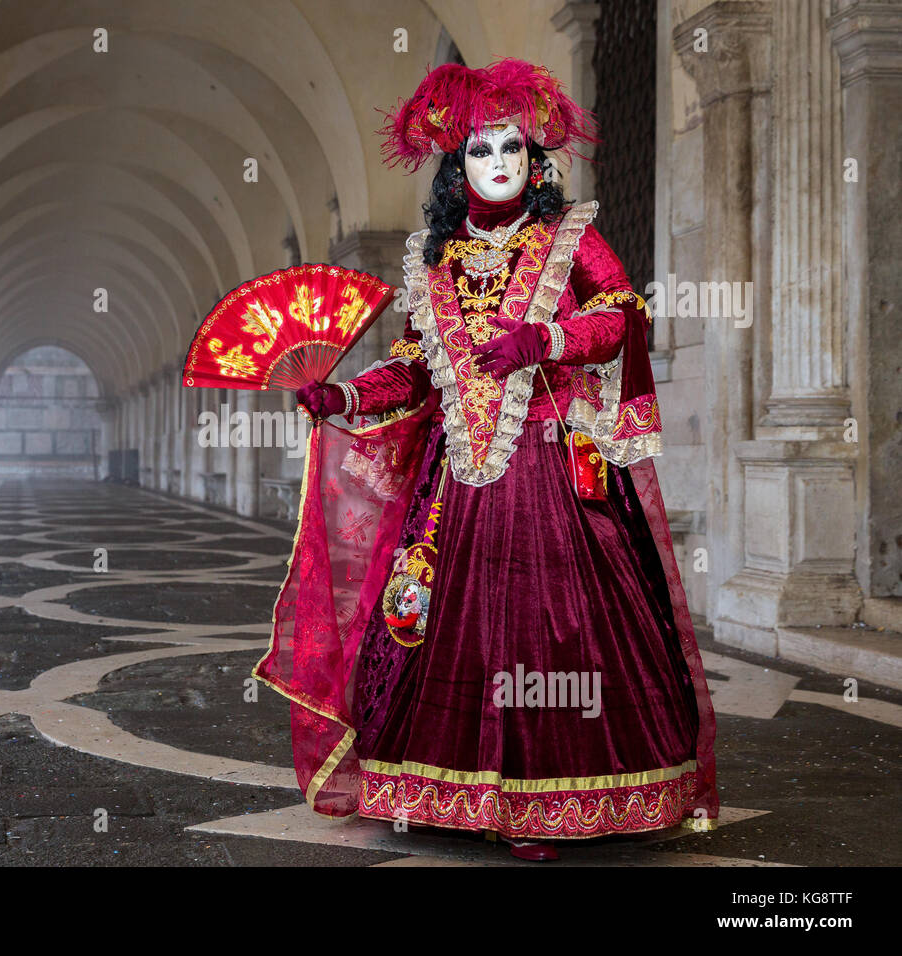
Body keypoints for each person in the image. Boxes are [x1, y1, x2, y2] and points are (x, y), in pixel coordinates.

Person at [255, 59, 717, 862]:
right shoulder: (433, 261)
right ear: (455, 164)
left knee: (549, 627)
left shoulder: (570, 237)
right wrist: (347, 399)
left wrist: (549, 338)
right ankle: (451, 792)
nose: (497, 163)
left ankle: (547, 804)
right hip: (454, 483)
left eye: (512, 148)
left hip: (550, 467)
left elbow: (621, 320)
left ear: (535, 160)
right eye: (478, 150)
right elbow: (413, 369)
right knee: (432, 621)